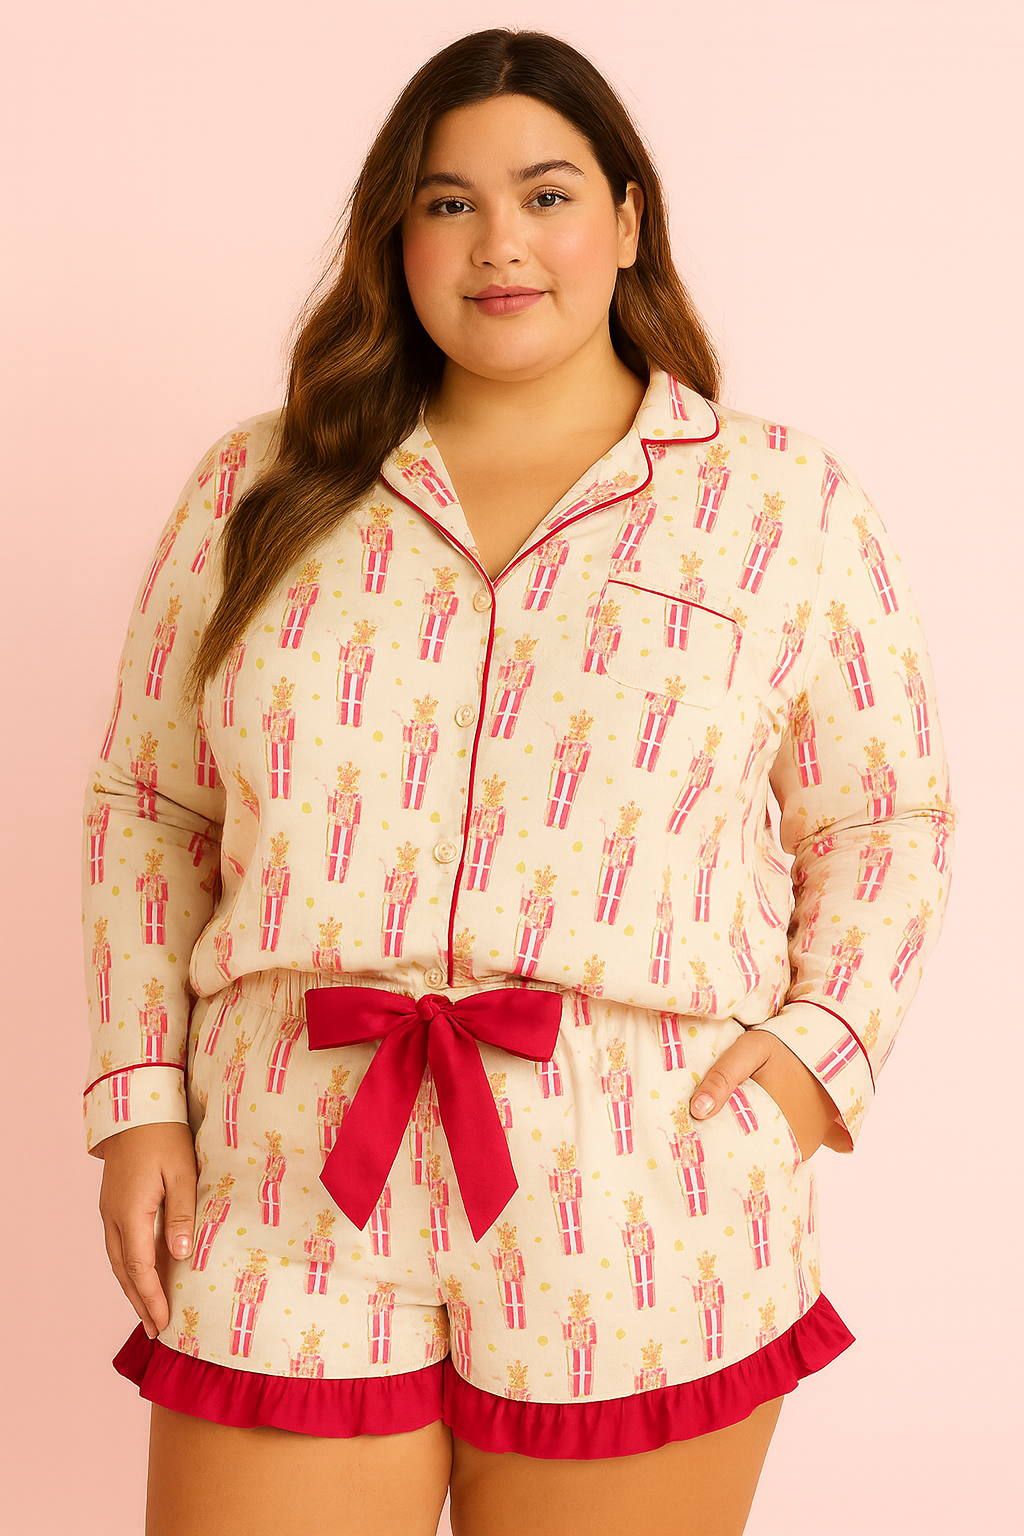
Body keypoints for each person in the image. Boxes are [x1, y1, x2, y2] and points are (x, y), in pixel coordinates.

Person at [80, 26, 957, 1536]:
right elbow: (151, 812)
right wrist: (139, 1102)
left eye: (547, 195)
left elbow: (884, 816)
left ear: (627, 219)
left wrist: (820, 1058)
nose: (500, 244)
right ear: (395, 237)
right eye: (446, 203)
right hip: (289, 1168)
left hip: (639, 1183)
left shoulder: (777, 507)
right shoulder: (257, 488)